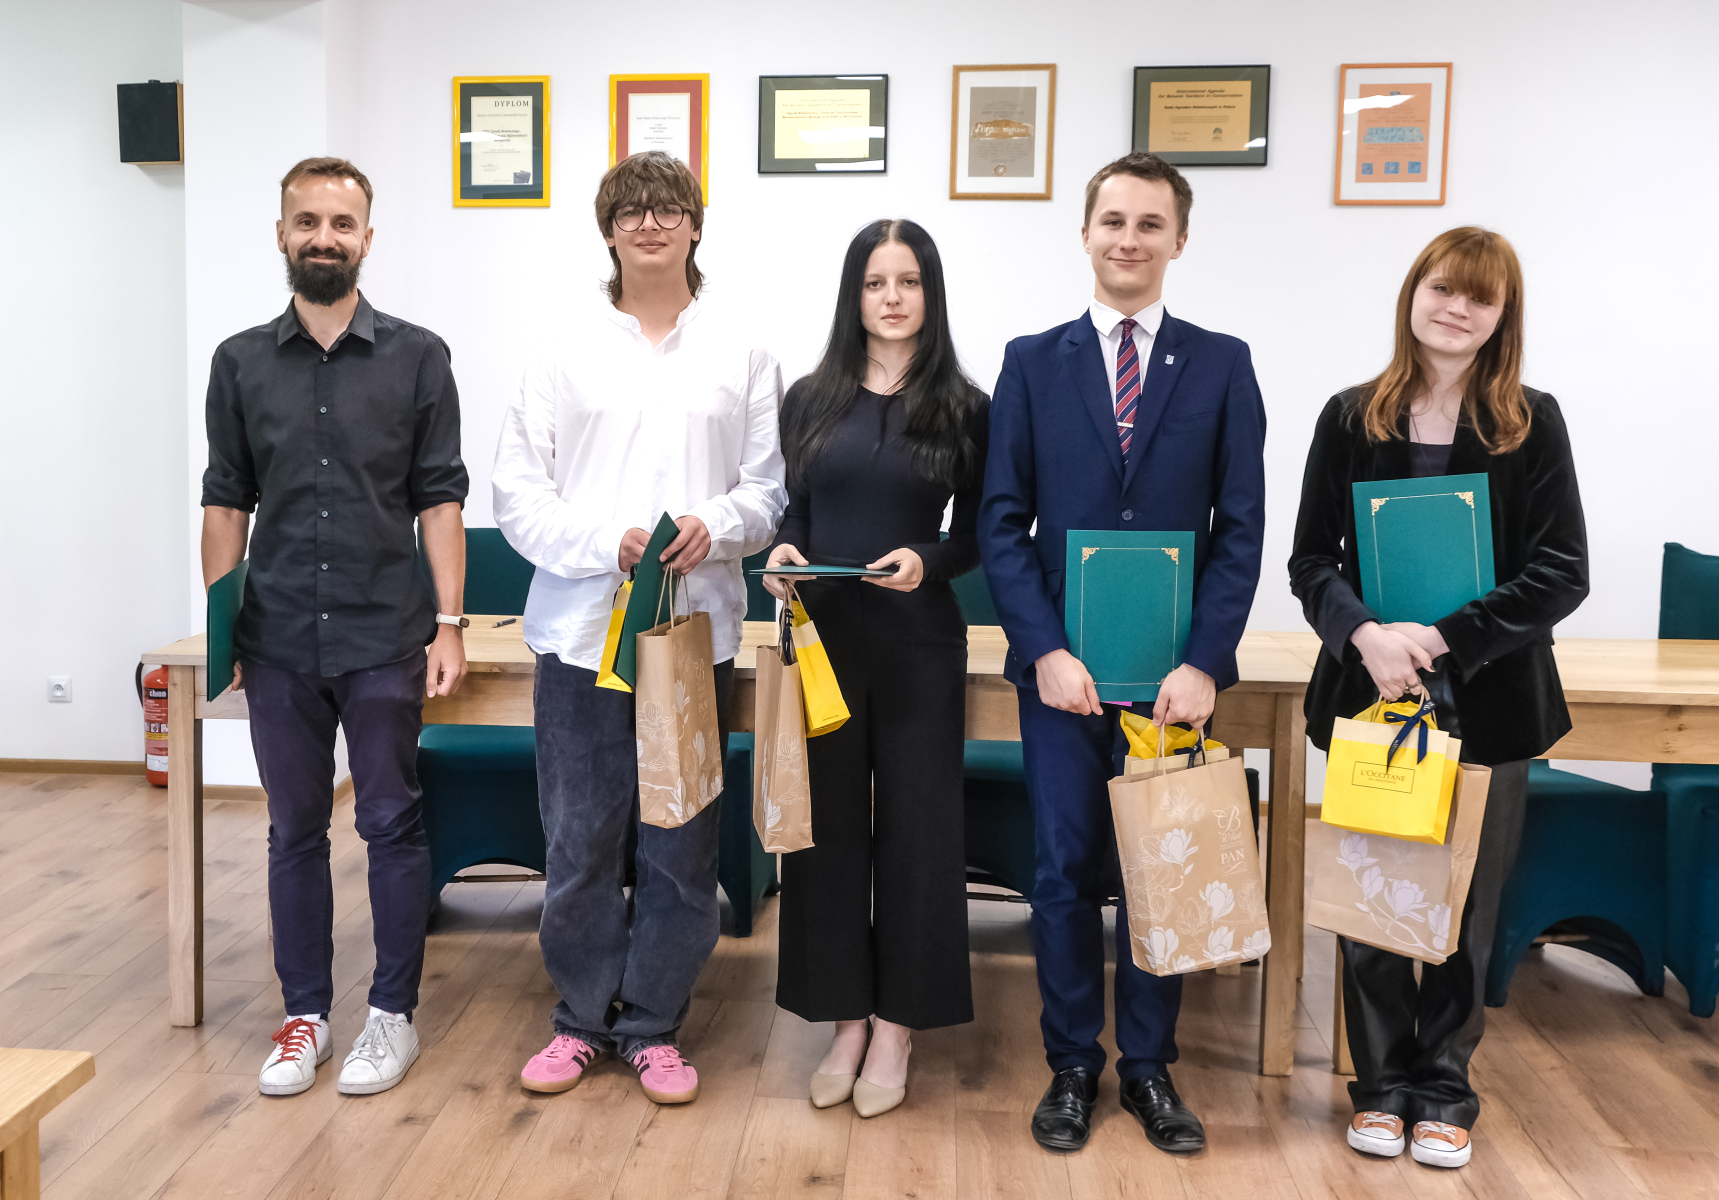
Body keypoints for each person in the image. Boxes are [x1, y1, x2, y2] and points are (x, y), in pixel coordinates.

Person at [978, 152, 1267, 1155]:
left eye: (1149, 223)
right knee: (1062, 870)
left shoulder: (1222, 363)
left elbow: (1240, 527)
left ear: (1178, 240)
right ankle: (1071, 1064)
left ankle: (1148, 1068)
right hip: (1064, 676)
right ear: (1085, 233)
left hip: (1173, 679)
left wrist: (1207, 660)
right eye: (1113, 220)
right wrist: (1043, 650)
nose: (1129, 239)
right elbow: (1001, 522)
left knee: (1161, 866)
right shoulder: (1031, 362)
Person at [492, 150, 787, 1106]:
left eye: (667, 209)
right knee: (579, 838)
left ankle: (654, 1025)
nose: (649, 224)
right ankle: (581, 1021)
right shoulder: (559, 351)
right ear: (608, 230)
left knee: (681, 843)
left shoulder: (744, 351)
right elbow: (517, 495)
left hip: (691, 641)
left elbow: (767, 491)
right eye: (630, 211)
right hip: (581, 636)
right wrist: (603, 544)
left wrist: (718, 525)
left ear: (695, 224)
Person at [1289, 227, 1587, 1169]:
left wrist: (1445, 637)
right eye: (1441, 288)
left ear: (1502, 316)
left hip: (1490, 703)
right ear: (1412, 293)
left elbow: (1561, 571)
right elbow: (1310, 562)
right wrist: (1367, 636)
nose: (1456, 309)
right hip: (1370, 694)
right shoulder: (1349, 416)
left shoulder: (1531, 421)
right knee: (1372, 901)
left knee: (1466, 904)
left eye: (1478, 297)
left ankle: (1445, 1089)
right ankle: (1378, 1087)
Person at [201, 157, 470, 1098]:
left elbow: (439, 500)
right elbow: (225, 502)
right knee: (293, 830)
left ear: (366, 238)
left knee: (391, 822)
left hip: (385, 632)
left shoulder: (418, 356)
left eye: (341, 223)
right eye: (307, 221)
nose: (324, 237)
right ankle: (305, 1016)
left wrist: (448, 624)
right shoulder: (239, 362)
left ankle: (391, 1016)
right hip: (276, 636)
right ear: (282, 234)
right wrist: (222, 630)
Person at [763, 219, 987, 1118]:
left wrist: (926, 561)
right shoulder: (809, 398)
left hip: (917, 641)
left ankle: (897, 1027)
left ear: (930, 293)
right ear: (852, 295)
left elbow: (979, 533)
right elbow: (797, 511)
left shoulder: (966, 406)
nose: (891, 297)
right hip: (821, 640)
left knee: (917, 834)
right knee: (823, 835)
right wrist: (784, 550)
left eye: (908, 281)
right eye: (874, 282)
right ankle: (844, 1019)